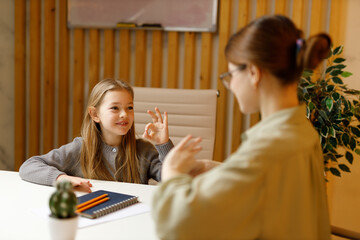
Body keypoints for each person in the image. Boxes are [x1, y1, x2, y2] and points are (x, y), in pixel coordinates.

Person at [151, 15, 331, 239]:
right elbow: (271, 185)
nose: (230, 85)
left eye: (231, 75)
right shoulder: (300, 130)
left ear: (254, 73)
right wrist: (218, 168)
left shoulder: (268, 147)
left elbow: (178, 224)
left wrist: (172, 173)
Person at [19, 78, 173, 192]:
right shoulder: (80, 148)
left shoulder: (144, 151)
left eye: (129, 107)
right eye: (114, 108)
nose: (124, 114)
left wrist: (163, 145)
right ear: (95, 114)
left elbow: (176, 181)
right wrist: (61, 178)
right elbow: (29, 166)